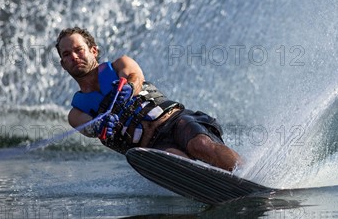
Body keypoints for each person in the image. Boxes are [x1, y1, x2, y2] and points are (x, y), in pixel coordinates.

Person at [55, 26, 241, 171]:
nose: (74, 56)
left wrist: (128, 88)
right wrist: (100, 125)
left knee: (201, 145)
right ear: (63, 65)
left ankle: (249, 175)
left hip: (175, 121)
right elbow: (88, 128)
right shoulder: (76, 112)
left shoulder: (120, 64)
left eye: (79, 50)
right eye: (66, 54)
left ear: (93, 51)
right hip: (153, 147)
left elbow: (135, 76)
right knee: (178, 163)